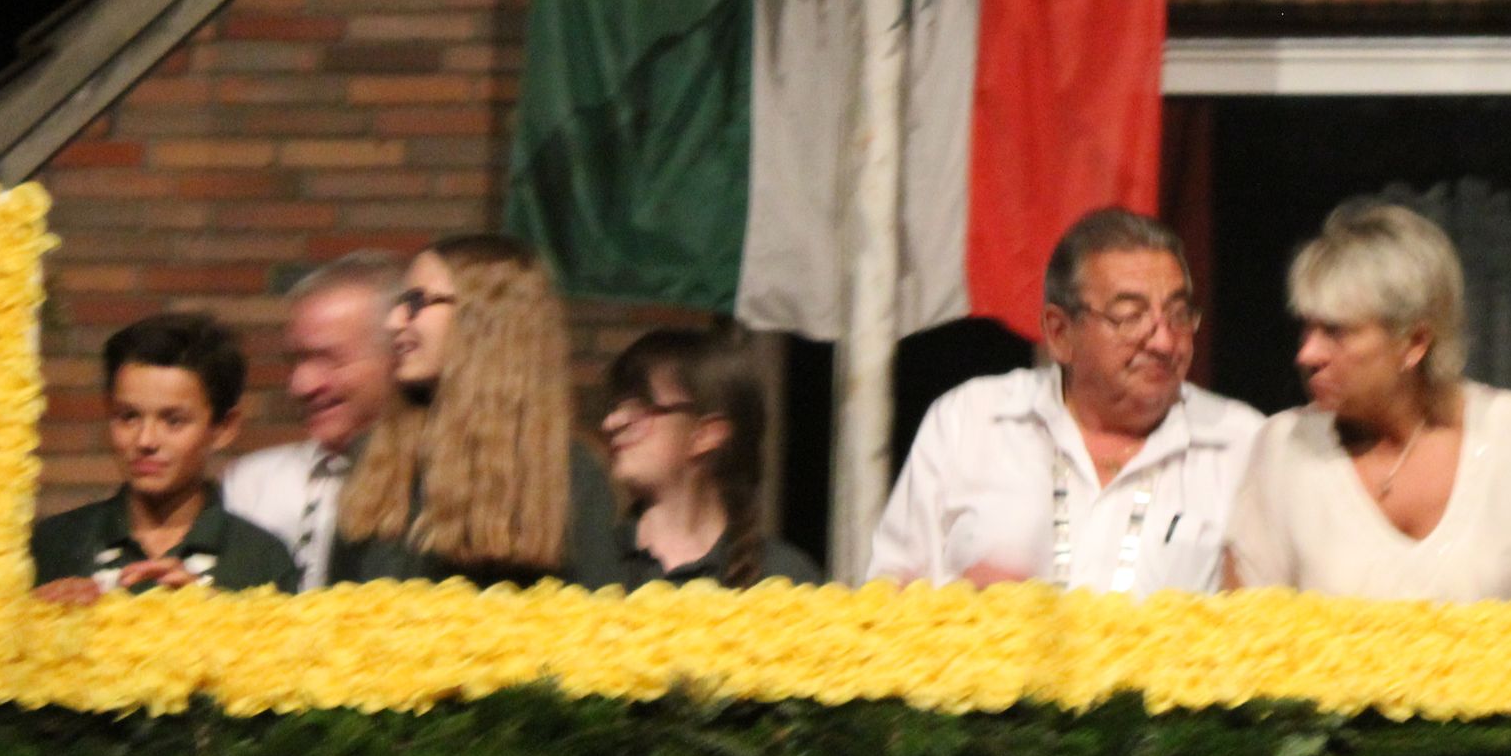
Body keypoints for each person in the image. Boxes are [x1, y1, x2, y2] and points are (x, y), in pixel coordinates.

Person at [1224, 201, 1511, 602]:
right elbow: (1243, 627)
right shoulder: (1286, 447)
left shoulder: (1509, 431)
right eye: (1307, 328)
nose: (1308, 355)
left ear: (1415, 342)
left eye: (1335, 331)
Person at [870, 208, 1262, 593]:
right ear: (1060, 333)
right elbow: (890, 592)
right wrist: (970, 610)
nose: (1164, 342)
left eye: (1178, 314)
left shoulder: (1243, 444)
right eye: (1130, 316)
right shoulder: (970, 421)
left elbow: (1273, 613)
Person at [328, 233, 620, 584]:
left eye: (416, 302)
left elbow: (595, 611)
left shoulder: (568, 474)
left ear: (483, 318)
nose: (393, 322)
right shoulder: (373, 458)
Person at [32, 312, 297, 601]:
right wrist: (34, 614)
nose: (146, 441)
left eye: (174, 421)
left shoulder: (261, 558)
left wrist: (220, 616)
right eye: (128, 416)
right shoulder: (55, 544)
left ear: (223, 428)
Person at [221, 250, 402, 589]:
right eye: (295, 361)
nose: (301, 385)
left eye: (328, 359)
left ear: (397, 353)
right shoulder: (251, 485)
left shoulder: (443, 485)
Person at [594, 324, 821, 587]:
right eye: (615, 407)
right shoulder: (589, 559)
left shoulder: (783, 579)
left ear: (706, 435)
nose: (611, 423)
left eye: (640, 407)